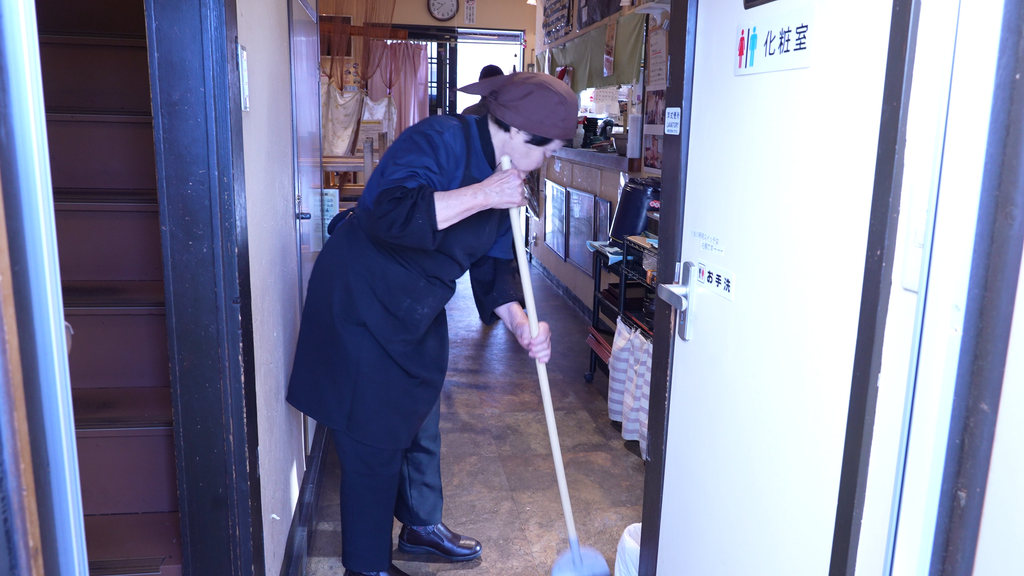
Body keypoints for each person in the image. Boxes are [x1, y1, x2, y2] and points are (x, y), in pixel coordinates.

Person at [287, 72, 578, 576]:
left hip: (414, 307)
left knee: (417, 406)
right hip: (362, 297)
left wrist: (523, 324)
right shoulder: (439, 140)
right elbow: (388, 213)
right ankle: (368, 566)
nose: (546, 161)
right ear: (514, 131)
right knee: (371, 435)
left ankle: (420, 525)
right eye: (547, 149)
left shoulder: (509, 175)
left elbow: (493, 268)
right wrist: (484, 194)